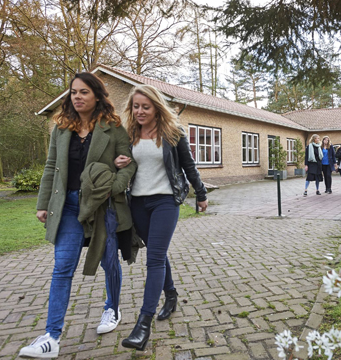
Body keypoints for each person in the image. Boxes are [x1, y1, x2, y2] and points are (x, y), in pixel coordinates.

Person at [20, 72, 136, 359]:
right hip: (69, 206)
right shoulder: (61, 129)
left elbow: (128, 164)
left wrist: (114, 188)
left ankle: (112, 307)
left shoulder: (113, 127)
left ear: (97, 95)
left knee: (109, 261)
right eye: (73, 92)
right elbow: (51, 168)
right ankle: (51, 336)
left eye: (84, 92)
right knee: (62, 267)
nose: (77, 97)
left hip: (102, 206)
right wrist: (43, 203)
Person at [115, 85, 208, 351]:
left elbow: (189, 166)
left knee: (154, 258)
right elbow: (119, 162)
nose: (140, 111)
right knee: (158, 253)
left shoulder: (173, 133)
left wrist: (200, 194)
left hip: (166, 201)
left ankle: (142, 326)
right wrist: (117, 162)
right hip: (138, 203)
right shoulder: (129, 133)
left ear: (156, 106)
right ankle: (171, 295)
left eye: (146, 106)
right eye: (136, 106)